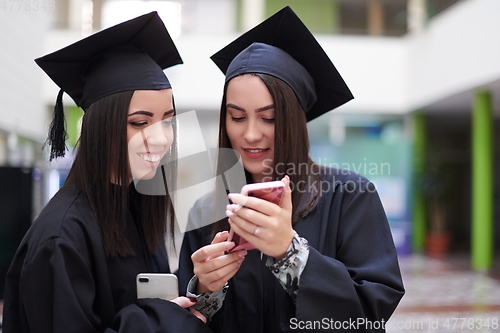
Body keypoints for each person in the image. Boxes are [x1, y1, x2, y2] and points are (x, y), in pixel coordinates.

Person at [177, 6, 404, 332]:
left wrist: (291, 253)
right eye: (237, 116)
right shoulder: (208, 210)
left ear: (295, 122)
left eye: (269, 117)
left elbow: (372, 311)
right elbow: (188, 318)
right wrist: (203, 290)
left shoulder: (349, 196)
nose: (251, 134)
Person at [2, 12, 211, 333]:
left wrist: (200, 287)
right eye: (139, 122)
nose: (160, 138)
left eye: (167, 120)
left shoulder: (133, 205)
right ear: (102, 127)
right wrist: (162, 320)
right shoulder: (61, 239)